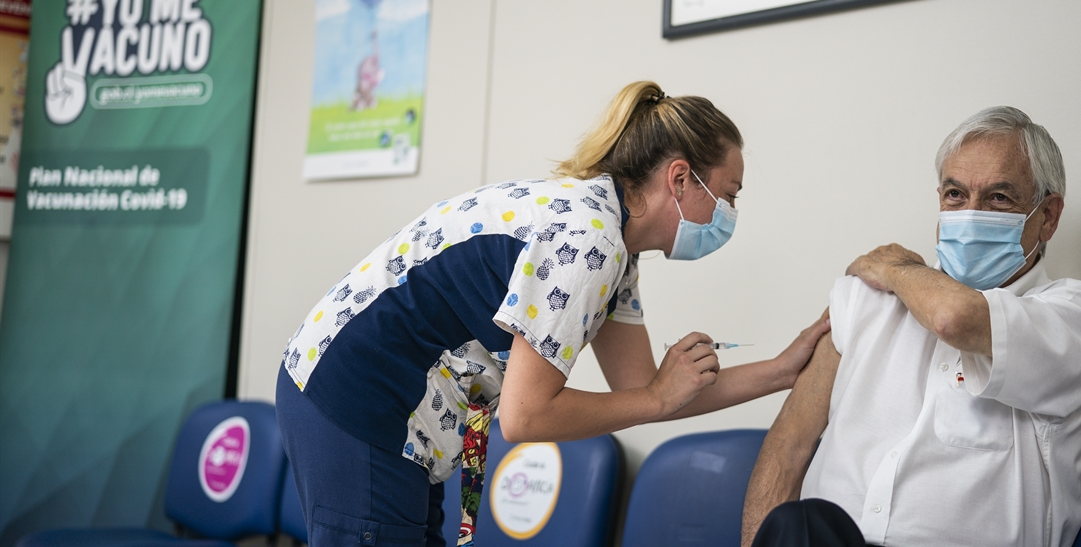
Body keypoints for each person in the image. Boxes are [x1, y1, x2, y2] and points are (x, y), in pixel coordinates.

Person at [276, 80, 831, 547]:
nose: (730, 213)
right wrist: (657, 397)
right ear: (681, 179)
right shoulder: (590, 238)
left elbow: (643, 389)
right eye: (728, 194)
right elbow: (527, 418)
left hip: (389, 408)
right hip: (354, 394)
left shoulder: (613, 243)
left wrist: (782, 370)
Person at [741, 106, 1081, 547]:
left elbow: (954, 318)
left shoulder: (1079, 317)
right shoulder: (866, 299)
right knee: (800, 523)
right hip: (830, 539)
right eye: (956, 194)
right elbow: (788, 446)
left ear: (1048, 216)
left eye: (999, 198)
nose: (970, 214)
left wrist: (897, 268)